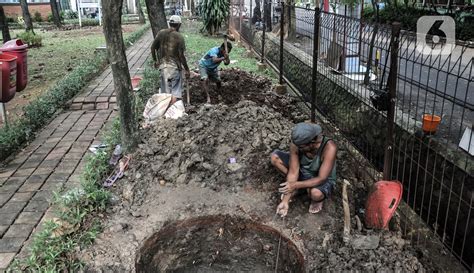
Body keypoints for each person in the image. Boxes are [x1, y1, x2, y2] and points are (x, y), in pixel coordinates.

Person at [271, 123, 337, 217]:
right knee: (275, 158)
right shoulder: (297, 144)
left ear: (312, 142)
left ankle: (314, 197)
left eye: (301, 147)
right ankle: (301, 189)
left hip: (320, 177)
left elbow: (321, 178)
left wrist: (295, 185)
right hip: (303, 171)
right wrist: (285, 201)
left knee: (315, 194)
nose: (298, 148)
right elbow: (293, 172)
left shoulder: (330, 147)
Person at [150, 15, 190, 101]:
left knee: (165, 95)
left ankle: (166, 111)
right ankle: (173, 111)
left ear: (169, 23)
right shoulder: (179, 37)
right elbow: (181, 56)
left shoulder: (161, 33)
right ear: (179, 25)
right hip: (174, 68)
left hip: (163, 67)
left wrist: (155, 61)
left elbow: (153, 48)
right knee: (175, 93)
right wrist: (187, 69)